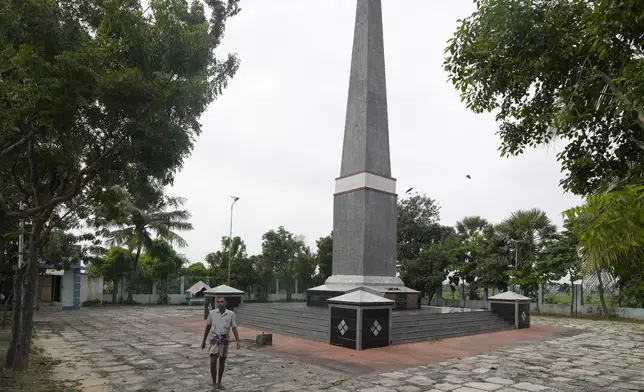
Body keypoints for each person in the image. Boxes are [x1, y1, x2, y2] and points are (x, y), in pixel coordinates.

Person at [201, 297, 241, 391]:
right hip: (214, 338)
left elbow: (234, 327)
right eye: (218, 302)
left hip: (225, 338)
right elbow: (208, 326)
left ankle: (219, 382)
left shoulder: (231, 314)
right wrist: (203, 341)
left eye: (222, 301)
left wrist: (238, 340)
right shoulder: (212, 313)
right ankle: (214, 384)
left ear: (226, 302)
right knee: (213, 361)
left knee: (222, 362)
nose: (220, 303)